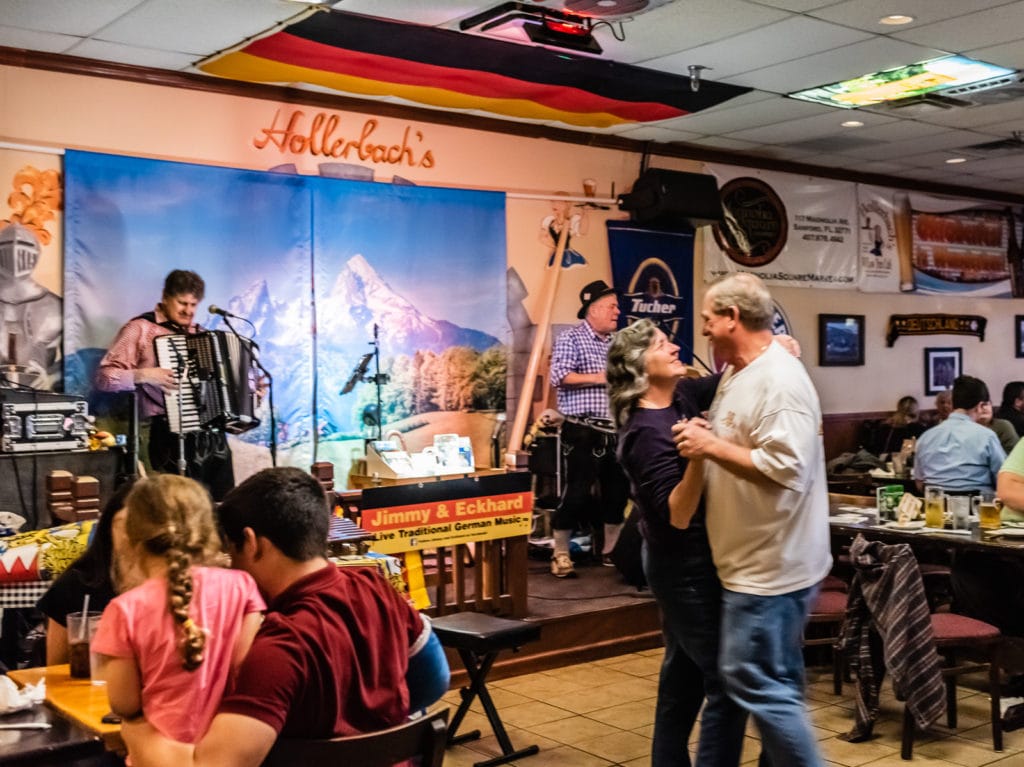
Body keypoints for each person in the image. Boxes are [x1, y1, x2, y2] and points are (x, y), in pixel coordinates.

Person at [121, 467, 440, 767]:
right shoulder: (375, 587)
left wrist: (135, 727)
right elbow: (433, 678)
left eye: (232, 552)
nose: (231, 566)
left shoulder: (281, 645)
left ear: (251, 542)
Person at [672, 272, 830, 767]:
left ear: (732, 318)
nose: (703, 330)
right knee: (770, 683)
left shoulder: (779, 382)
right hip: (750, 566)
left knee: (754, 679)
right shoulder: (743, 371)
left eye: (707, 320)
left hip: (771, 571)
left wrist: (710, 446)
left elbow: (788, 471)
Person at [609, 319, 745, 767]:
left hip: (699, 558)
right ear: (638, 367)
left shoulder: (681, 395)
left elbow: (722, 379)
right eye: (661, 345)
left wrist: (769, 348)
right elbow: (678, 514)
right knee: (726, 682)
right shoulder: (643, 433)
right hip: (679, 568)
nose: (674, 347)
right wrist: (701, 455)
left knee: (681, 682)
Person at [92, 474, 265, 749]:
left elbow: (124, 703)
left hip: (159, 754)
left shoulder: (124, 610)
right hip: (228, 750)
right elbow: (244, 669)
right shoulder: (242, 587)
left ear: (131, 535)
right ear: (206, 528)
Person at [95, 269, 234, 500]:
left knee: (221, 507)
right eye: (182, 303)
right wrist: (143, 375)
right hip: (163, 435)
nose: (188, 311)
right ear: (165, 297)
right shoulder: (140, 329)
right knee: (177, 509)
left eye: (193, 305)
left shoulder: (201, 335)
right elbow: (104, 378)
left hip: (211, 437)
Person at [548, 279, 628, 578]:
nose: (617, 311)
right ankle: (561, 553)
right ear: (593, 310)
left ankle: (612, 553)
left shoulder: (618, 343)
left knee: (617, 494)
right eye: (612, 306)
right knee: (577, 493)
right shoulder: (571, 338)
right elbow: (559, 375)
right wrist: (602, 376)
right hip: (582, 428)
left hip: (615, 428)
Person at [36, 479, 138, 665]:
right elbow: (55, 669)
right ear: (109, 530)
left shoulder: (179, 587)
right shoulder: (76, 584)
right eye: (129, 527)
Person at [913, 376, 1005, 493]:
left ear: (953, 403)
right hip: (977, 507)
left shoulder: (925, 437)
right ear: (980, 406)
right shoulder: (987, 436)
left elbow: (919, 483)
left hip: (936, 506)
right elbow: (1003, 479)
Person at [861, 395, 926, 457]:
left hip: (881, 460)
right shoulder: (915, 428)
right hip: (898, 462)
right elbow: (906, 454)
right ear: (917, 411)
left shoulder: (885, 426)